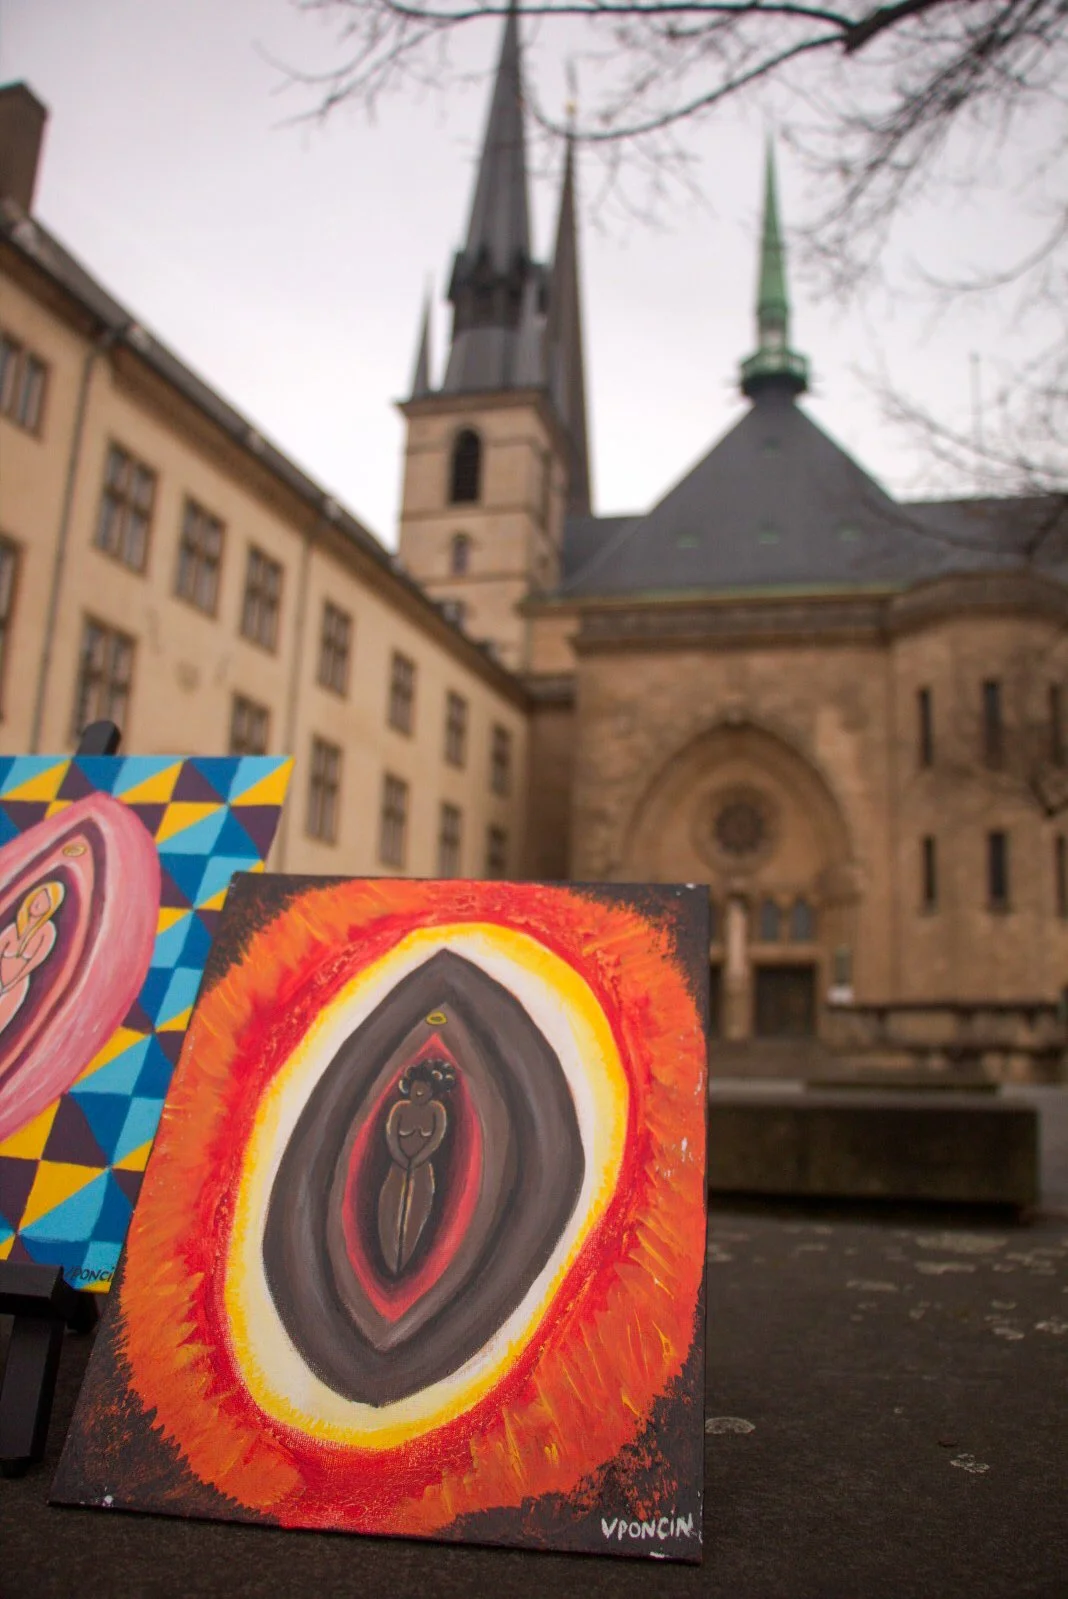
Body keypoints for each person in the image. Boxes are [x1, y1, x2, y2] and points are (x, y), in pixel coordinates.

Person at [377, 1059, 454, 1276]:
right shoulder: (399, 1109)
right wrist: (401, 1158)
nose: (420, 1092)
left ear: (433, 1091)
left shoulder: (437, 1111)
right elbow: (391, 1136)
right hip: (398, 1167)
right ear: (408, 1087)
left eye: (426, 1088)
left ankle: (406, 1256)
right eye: (417, 1087)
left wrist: (419, 1158)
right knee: (390, 1207)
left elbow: (436, 1139)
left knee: (418, 1209)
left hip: (422, 1168)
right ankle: (391, 1258)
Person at [0, 880, 65, 1034]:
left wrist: (11, 983)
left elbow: (36, 961)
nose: (38, 903)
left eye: (45, 901)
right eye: (38, 898)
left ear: (51, 906)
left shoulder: (47, 931)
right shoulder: (14, 929)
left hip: (16, 985)